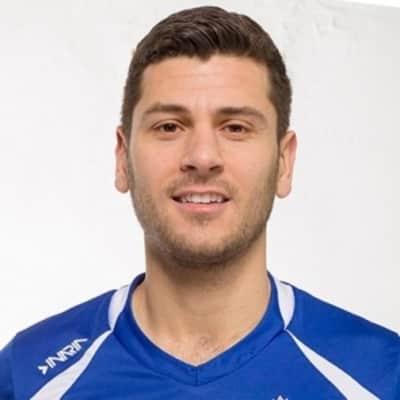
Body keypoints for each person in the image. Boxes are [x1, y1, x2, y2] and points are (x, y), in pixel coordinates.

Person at [0, 5, 399, 400]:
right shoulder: (28, 377)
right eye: (169, 126)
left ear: (284, 162)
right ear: (122, 159)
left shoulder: (380, 377)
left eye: (236, 127)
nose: (203, 157)